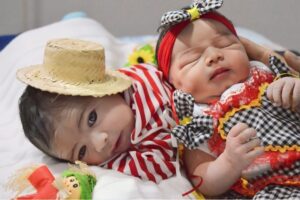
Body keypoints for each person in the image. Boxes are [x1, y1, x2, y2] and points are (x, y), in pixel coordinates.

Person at [155, 0, 300, 198]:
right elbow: (202, 180)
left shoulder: (267, 73)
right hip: (275, 189)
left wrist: (293, 85)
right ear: (172, 82)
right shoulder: (196, 120)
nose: (214, 56)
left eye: (226, 44)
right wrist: (229, 162)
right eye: (192, 59)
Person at [17, 38, 177, 184]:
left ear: (106, 90)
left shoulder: (143, 89)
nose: (100, 143)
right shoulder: (118, 153)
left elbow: (162, 165)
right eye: (81, 152)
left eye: (91, 119)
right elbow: (159, 166)